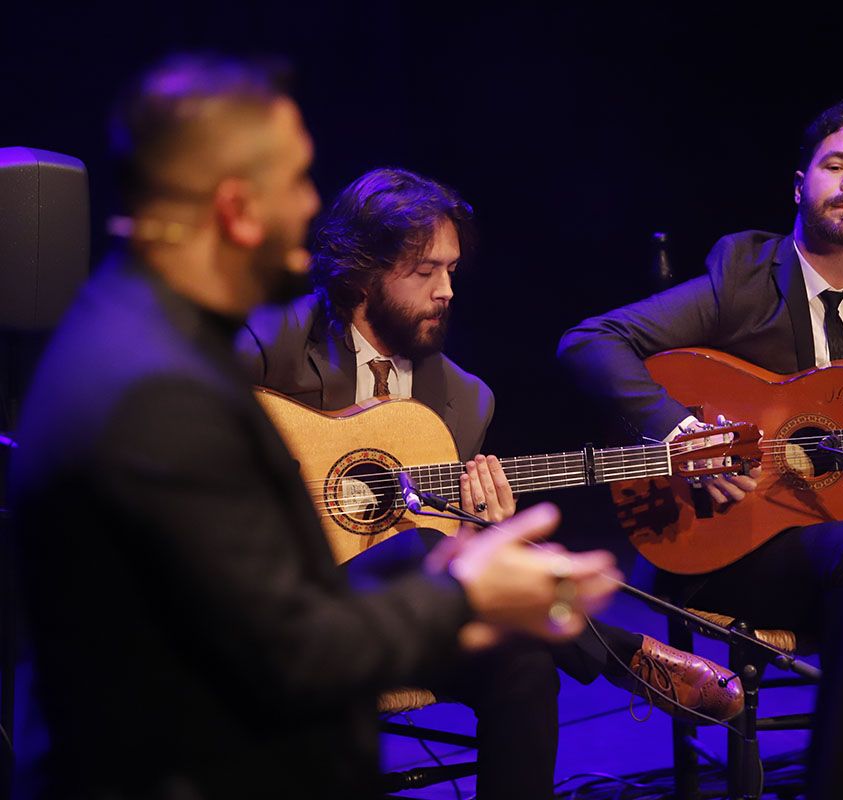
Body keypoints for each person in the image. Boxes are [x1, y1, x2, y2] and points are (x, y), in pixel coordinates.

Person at [8, 54, 618, 800]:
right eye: (297, 181)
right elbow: (288, 651)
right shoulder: (160, 389)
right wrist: (463, 592)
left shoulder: (137, 330)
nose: (309, 208)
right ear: (237, 207)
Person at [235, 167, 747, 734]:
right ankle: (628, 656)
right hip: (285, 604)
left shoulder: (465, 399)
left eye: (451, 270)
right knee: (426, 544)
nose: (447, 290)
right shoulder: (273, 341)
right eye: (425, 271)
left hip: (401, 620)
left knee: (523, 661)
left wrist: (477, 530)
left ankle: (618, 660)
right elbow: (184, 440)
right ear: (361, 274)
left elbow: (448, 560)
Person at [558, 100, 843, 643]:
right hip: (733, 546)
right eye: (835, 165)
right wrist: (687, 435)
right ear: (799, 186)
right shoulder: (743, 278)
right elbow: (590, 341)